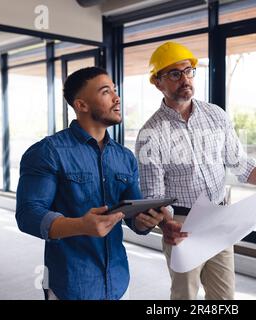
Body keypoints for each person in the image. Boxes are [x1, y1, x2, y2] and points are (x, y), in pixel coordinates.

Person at [135, 42, 256, 300]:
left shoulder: (216, 115)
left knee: (224, 297)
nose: (185, 79)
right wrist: (165, 224)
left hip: (220, 218)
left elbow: (241, 164)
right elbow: (155, 195)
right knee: (185, 296)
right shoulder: (151, 133)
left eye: (189, 71)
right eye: (175, 74)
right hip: (182, 225)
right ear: (158, 83)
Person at [16, 67, 166, 300]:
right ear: (81, 105)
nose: (117, 98)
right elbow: (28, 215)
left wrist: (147, 220)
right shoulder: (48, 152)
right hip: (71, 283)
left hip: (118, 282)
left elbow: (134, 217)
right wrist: (81, 226)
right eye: (106, 92)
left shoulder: (125, 157)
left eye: (115, 90)